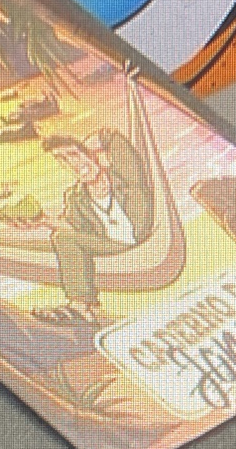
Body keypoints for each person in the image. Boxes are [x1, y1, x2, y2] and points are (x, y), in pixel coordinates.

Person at [33, 129, 156, 329]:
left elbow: (119, 143)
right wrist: (42, 221)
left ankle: (81, 307)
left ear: (92, 153)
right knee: (61, 237)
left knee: (65, 238)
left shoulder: (124, 176)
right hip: (110, 245)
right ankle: (83, 306)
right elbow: (75, 232)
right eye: (62, 159)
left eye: (73, 154)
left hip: (143, 239)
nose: (72, 163)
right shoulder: (75, 197)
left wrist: (99, 139)